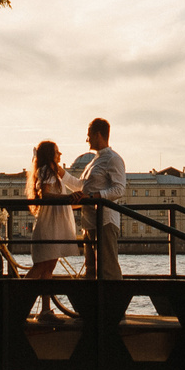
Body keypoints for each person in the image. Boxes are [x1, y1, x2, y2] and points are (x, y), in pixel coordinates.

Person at [68, 117, 127, 278]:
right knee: (91, 270)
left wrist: (94, 196)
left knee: (107, 269)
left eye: (89, 135)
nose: (87, 140)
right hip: (90, 222)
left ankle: (114, 301)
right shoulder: (95, 161)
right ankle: (94, 302)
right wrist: (61, 174)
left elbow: (119, 189)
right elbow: (82, 186)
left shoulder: (113, 159)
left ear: (98, 135)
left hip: (105, 221)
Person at [27, 140, 77, 278]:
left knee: (49, 268)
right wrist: (68, 198)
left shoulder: (51, 172)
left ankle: (44, 299)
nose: (60, 154)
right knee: (42, 266)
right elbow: (46, 195)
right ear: (49, 154)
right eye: (56, 151)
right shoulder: (47, 170)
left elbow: (57, 199)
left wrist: (80, 201)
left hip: (53, 225)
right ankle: (19, 296)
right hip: (50, 226)